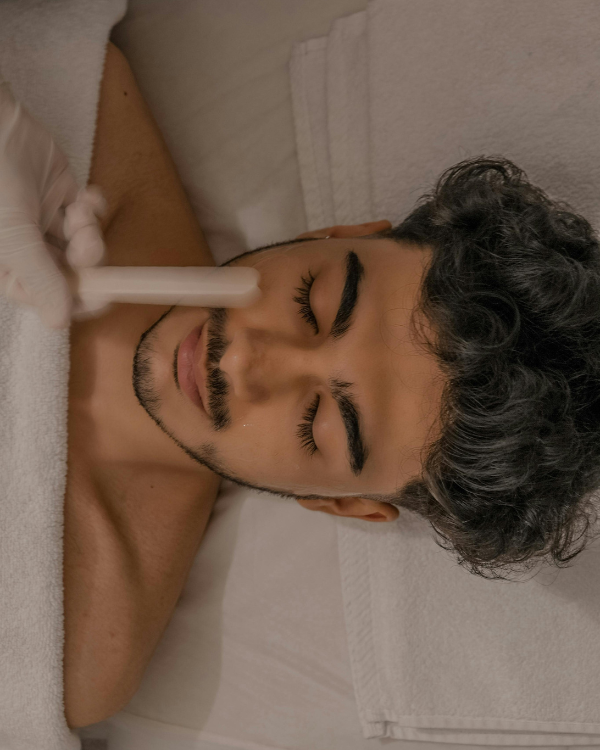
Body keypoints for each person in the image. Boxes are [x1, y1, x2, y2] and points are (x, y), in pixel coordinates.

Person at [4, 42, 600, 726]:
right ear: (332, 234)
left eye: (321, 420)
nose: (246, 362)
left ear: (343, 503)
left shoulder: (68, 640)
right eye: (312, 303)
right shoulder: (81, 117)